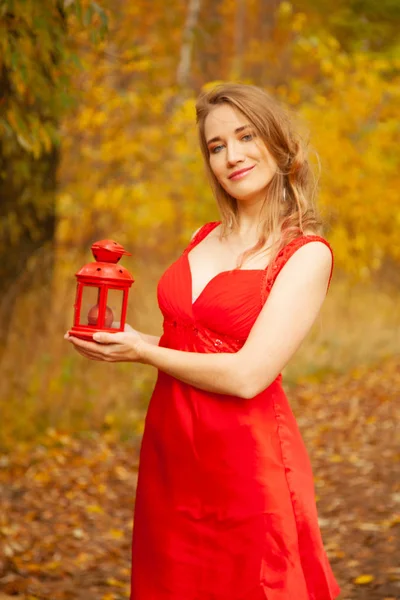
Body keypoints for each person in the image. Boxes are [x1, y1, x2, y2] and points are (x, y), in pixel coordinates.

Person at [66, 83, 341, 600]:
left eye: (245, 136)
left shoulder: (305, 254)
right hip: (171, 452)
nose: (232, 156)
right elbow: (190, 343)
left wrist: (143, 352)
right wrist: (129, 339)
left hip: (247, 463)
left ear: (278, 143)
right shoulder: (201, 235)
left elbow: (246, 375)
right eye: (216, 146)